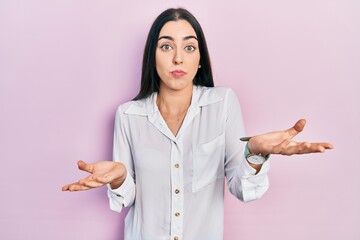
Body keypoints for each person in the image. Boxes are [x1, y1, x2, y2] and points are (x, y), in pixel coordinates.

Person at [62, 8, 333, 240]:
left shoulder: (223, 103)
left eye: (189, 47)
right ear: (152, 56)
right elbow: (128, 198)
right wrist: (120, 178)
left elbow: (243, 188)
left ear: (200, 57)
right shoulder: (128, 115)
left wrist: (255, 153)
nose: (178, 58)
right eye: (166, 46)